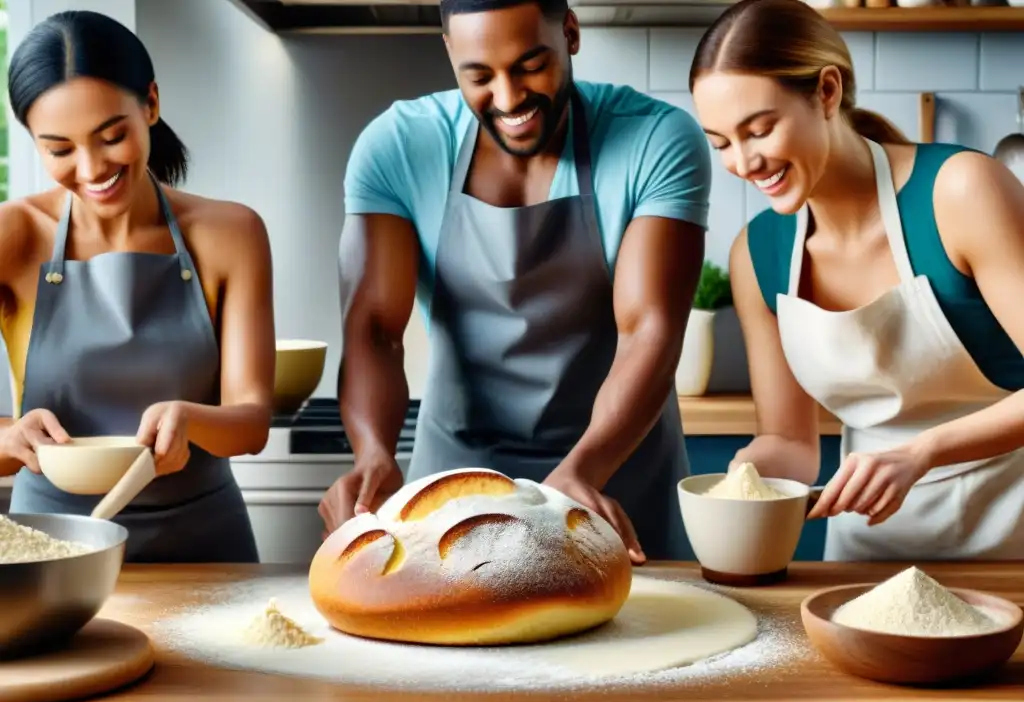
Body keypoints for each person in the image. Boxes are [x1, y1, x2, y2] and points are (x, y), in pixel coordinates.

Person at [319, 0, 711, 563]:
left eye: (530, 66)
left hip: (609, 477)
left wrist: (580, 473)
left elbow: (649, 329)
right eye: (479, 76)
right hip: (455, 491)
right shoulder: (397, 148)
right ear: (450, 53)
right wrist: (374, 453)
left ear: (570, 33)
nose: (507, 99)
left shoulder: (655, 138)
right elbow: (376, 330)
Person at [689, 0, 1024, 561]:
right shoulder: (758, 255)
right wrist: (747, 473)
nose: (744, 163)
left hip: (1012, 543)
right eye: (721, 142)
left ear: (826, 92)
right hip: (867, 558)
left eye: (760, 130)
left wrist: (921, 453)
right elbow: (791, 444)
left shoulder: (961, 192)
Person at [0, 11, 276, 562]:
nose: (91, 167)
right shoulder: (12, 236)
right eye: (60, 149)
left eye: (111, 136)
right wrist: (6, 438)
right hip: (55, 549)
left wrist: (192, 419)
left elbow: (251, 420)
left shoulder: (231, 233)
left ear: (150, 103)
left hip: (205, 544)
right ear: (34, 142)